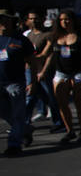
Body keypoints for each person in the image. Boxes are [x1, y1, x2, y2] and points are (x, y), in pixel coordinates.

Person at [37, 9, 81, 145]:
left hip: (78, 72)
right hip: (61, 73)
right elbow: (46, 54)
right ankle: (70, 130)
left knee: (78, 103)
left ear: (73, 20)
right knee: (62, 104)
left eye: (67, 19)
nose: (65, 22)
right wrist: (34, 61)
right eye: (62, 19)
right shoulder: (54, 37)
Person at [22, 9, 64, 137]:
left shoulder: (48, 34)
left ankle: (58, 122)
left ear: (41, 19)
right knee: (30, 97)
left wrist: (43, 71)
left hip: (44, 71)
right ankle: (24, 123)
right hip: (30, 71)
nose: (34, 21)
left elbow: (48, 54)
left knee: (51, 97)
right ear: (27, 20)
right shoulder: (28, 36)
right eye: (31, 18)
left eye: (36, 18)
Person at [1, 9, 33, 156]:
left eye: (6, 19)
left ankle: (14, 144)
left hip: (15, 82)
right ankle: (25, 129)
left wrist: (32, 81)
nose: (3, 22)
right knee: (5, 112)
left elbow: (31, 62)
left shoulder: (21, 40)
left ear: (11, 21)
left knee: (18, 114)